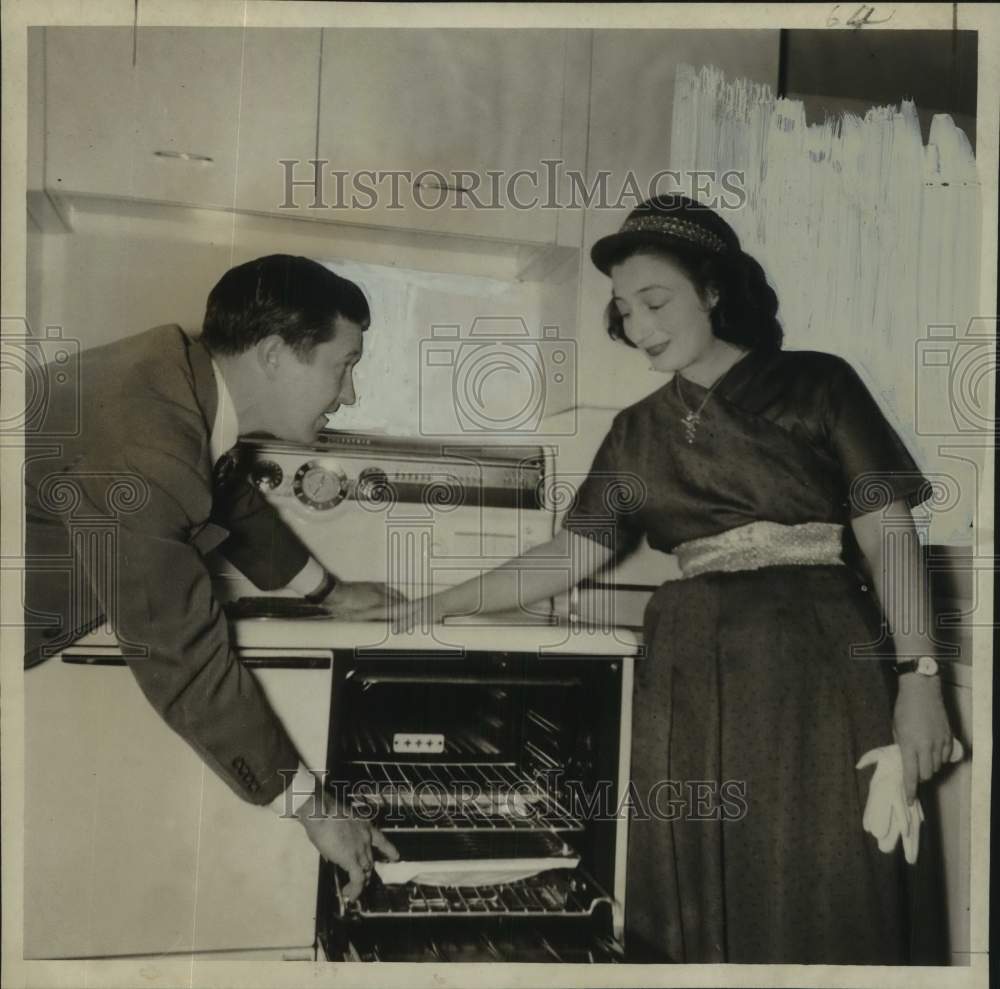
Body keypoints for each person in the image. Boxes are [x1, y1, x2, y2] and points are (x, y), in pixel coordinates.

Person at [375, 197, 956, 963]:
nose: (639, 326)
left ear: (714, 291)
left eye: (655, 301)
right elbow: (568, 555)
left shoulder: (818, 384)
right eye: (623, 309)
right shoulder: (636, 430)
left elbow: (888, 535)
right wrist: (430, 604)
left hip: (815, 663)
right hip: (688, 669)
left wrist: (920, 677)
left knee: (826, 880)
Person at [23, 254, 400, 899]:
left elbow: (221, 493)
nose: (349, 396)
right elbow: (184, 654)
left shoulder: (178, 381)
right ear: (277, 354)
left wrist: (330, 593)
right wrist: (315, 808)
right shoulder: (145, 439)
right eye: (344, 368)